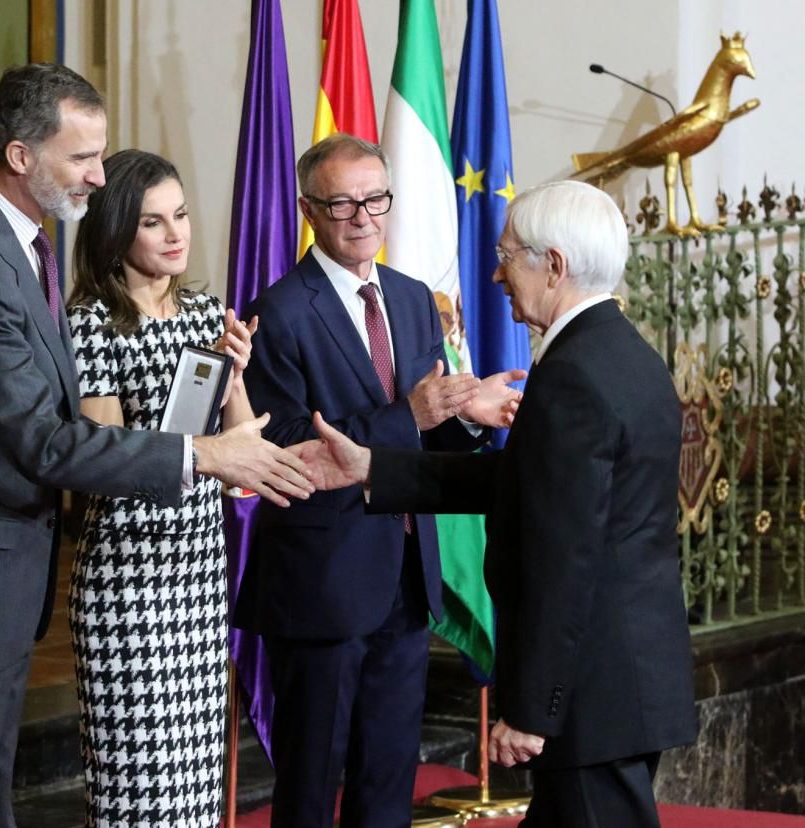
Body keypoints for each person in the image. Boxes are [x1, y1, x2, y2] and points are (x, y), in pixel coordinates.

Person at [0, 64, 313, 828]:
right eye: (82, 157)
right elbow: (42, 440)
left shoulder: (21, 247)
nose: (100, 176)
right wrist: (202, 455)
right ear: (22, 156)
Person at [292, 180, 698, 828]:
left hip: (591, 690)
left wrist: (534, 708)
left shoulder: (574, 373)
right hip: (620, 679)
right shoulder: (623, 353)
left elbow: (565, 556)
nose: (496, 272)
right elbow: (525, 483)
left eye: (509, 254)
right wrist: (375, 467)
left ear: (555, 265)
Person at [235, 133, 523, 828]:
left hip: (405, 575)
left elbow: (428, 435)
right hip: (321, 583)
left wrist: (470, 417)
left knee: (387, 785)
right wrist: (408, 415)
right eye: (343, 203)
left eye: (376, 198)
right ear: (309, 210)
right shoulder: (279, 312)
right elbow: (283, 453)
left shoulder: (415, 298)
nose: (364, 216)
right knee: (309, 787)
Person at [65, 149, 255, 826]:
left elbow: (244, 453)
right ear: (117, 229)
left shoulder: (206, 313)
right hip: (129, 579)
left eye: (180, 215)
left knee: (196, 795)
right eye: (154, 222)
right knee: (136, 797)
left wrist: (236, 376)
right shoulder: (90, 321)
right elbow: (105, 462)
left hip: (197, 572)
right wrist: (203, 454)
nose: (177, 234)